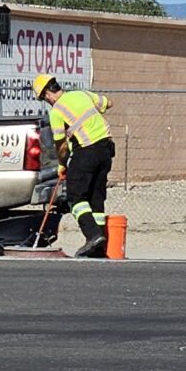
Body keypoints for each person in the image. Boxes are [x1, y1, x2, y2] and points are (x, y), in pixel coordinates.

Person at [35, 74, 115, 258]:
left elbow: (61, 145)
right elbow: (108, 103)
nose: (46, 101)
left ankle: (93, 236)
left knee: (75, 197)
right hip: (106, 151)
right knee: (96, 198)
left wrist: (62, 164)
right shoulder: (82, 95)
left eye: (43, 98)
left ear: (48, 93)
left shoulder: (56, 112)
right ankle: (99, 247)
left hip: (86, 152)